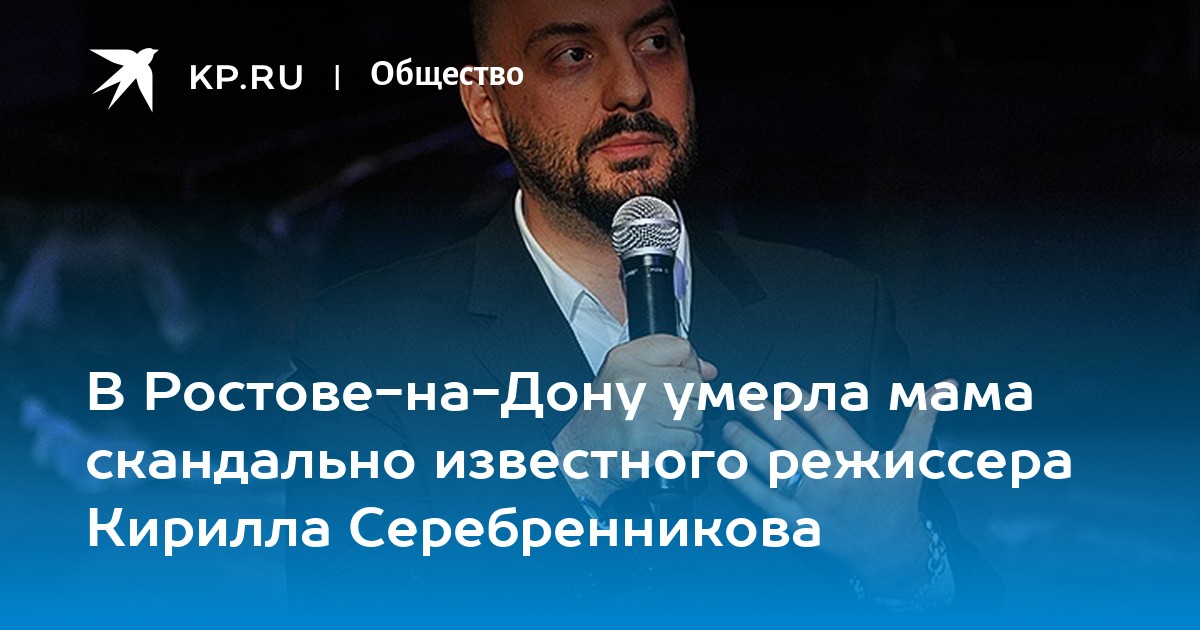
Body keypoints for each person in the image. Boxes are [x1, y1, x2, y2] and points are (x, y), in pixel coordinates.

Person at [287, 0, 998, 618]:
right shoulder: (362, 344)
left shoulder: (837, 308)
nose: (630, 87)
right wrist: (570, 479)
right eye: (572, 55)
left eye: (654, 43)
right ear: (487, 107)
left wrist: (903, 562)